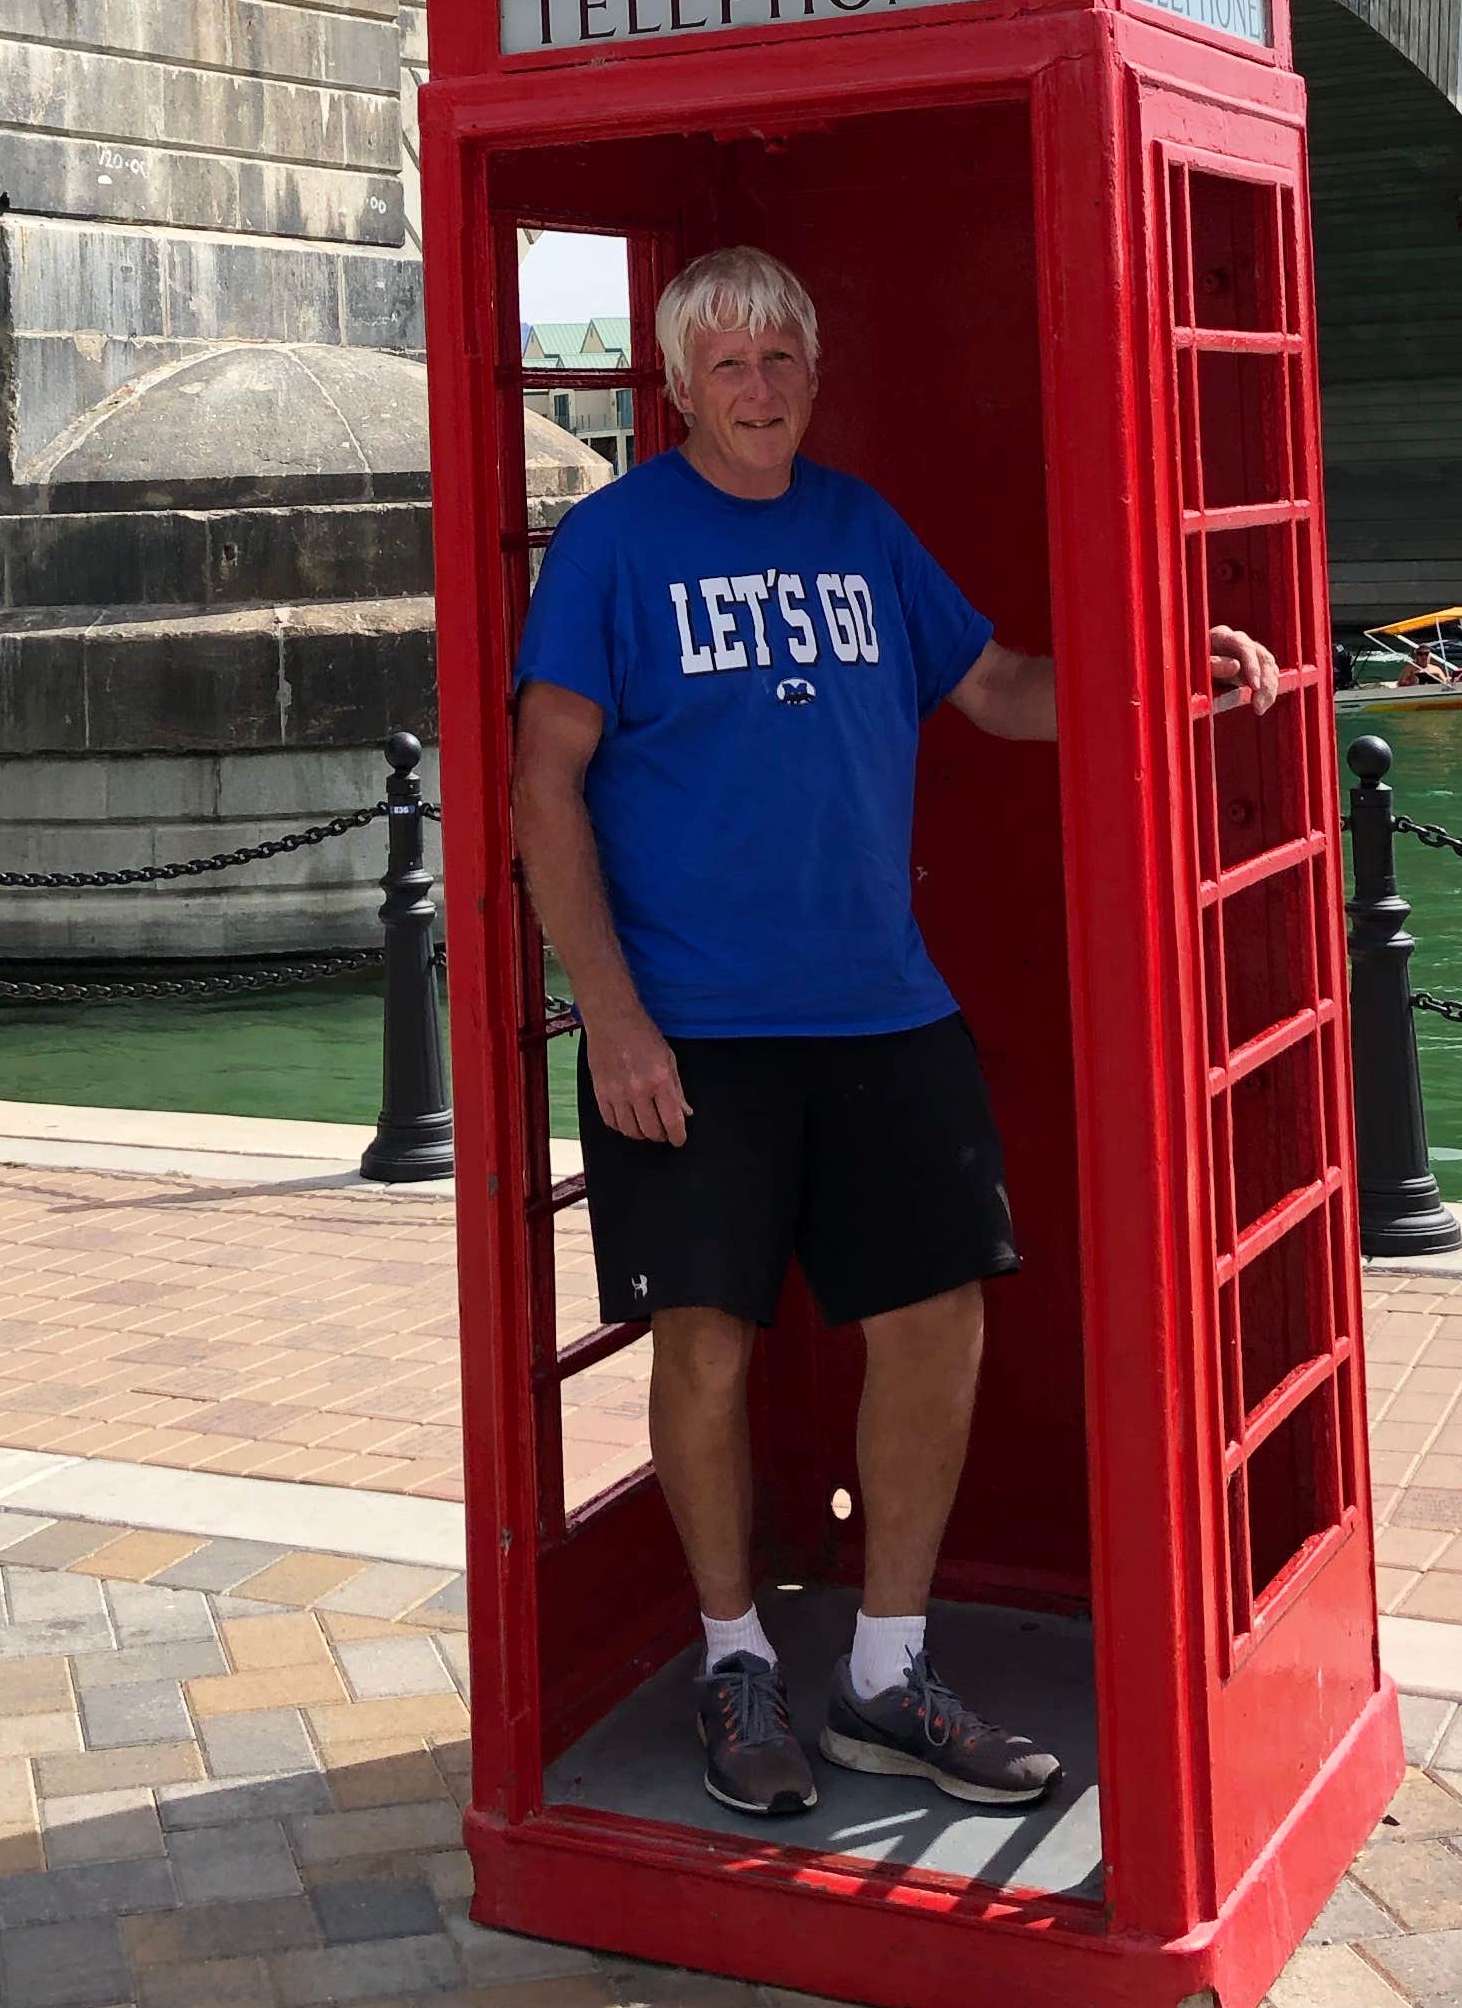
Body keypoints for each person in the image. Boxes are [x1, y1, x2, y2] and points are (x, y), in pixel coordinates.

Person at [511, 244, 1281, 1821]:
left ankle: (883, 1671)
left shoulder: (860, 530)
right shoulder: (609, 545)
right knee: (708, 1348)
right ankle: (735, 1658)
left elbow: (997, 687)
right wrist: (614, 1020)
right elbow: (545, 788)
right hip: (696, 1029)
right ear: (672, 383)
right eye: (725, 361)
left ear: (814, 372)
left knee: (940, 1324)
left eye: (781, 357)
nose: (757, 386)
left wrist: (1160, 671)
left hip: (883, 1003)